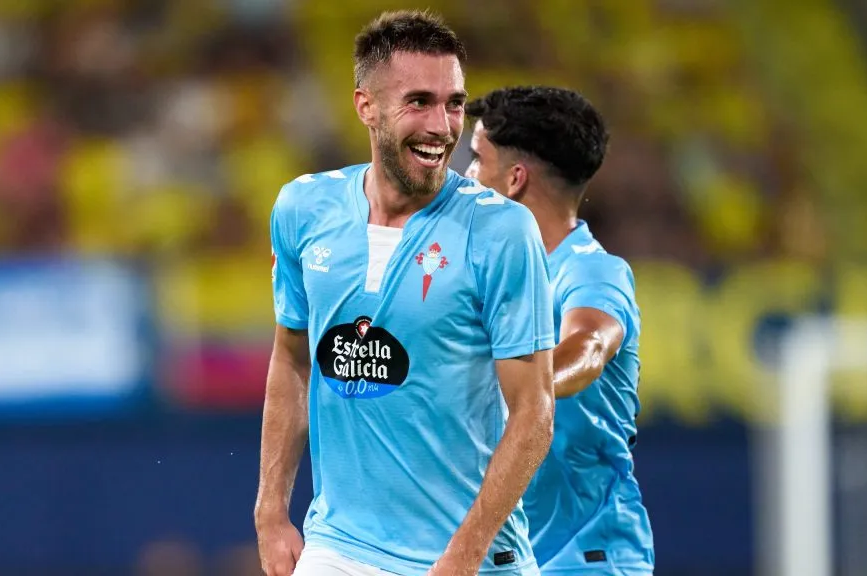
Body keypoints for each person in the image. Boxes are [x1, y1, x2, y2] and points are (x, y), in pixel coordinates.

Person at [255, 11, 556, 576]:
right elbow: (292, 359)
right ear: (366, 106)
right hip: (340, 548)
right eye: (419, 102)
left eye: (454, 104)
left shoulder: (502, 231)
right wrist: (270, 512)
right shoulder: (302, 209)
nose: (442, 126)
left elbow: (534, 413)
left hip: (474, 559)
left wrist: (462, 557)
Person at [465, 86, 655, 575]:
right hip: (506, 556)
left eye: (476, 160)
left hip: (586, 557)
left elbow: (588, 347)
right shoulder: (484, 277)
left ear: (514, 179)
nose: (465, 176)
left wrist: (522, 384)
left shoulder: (590, 271)